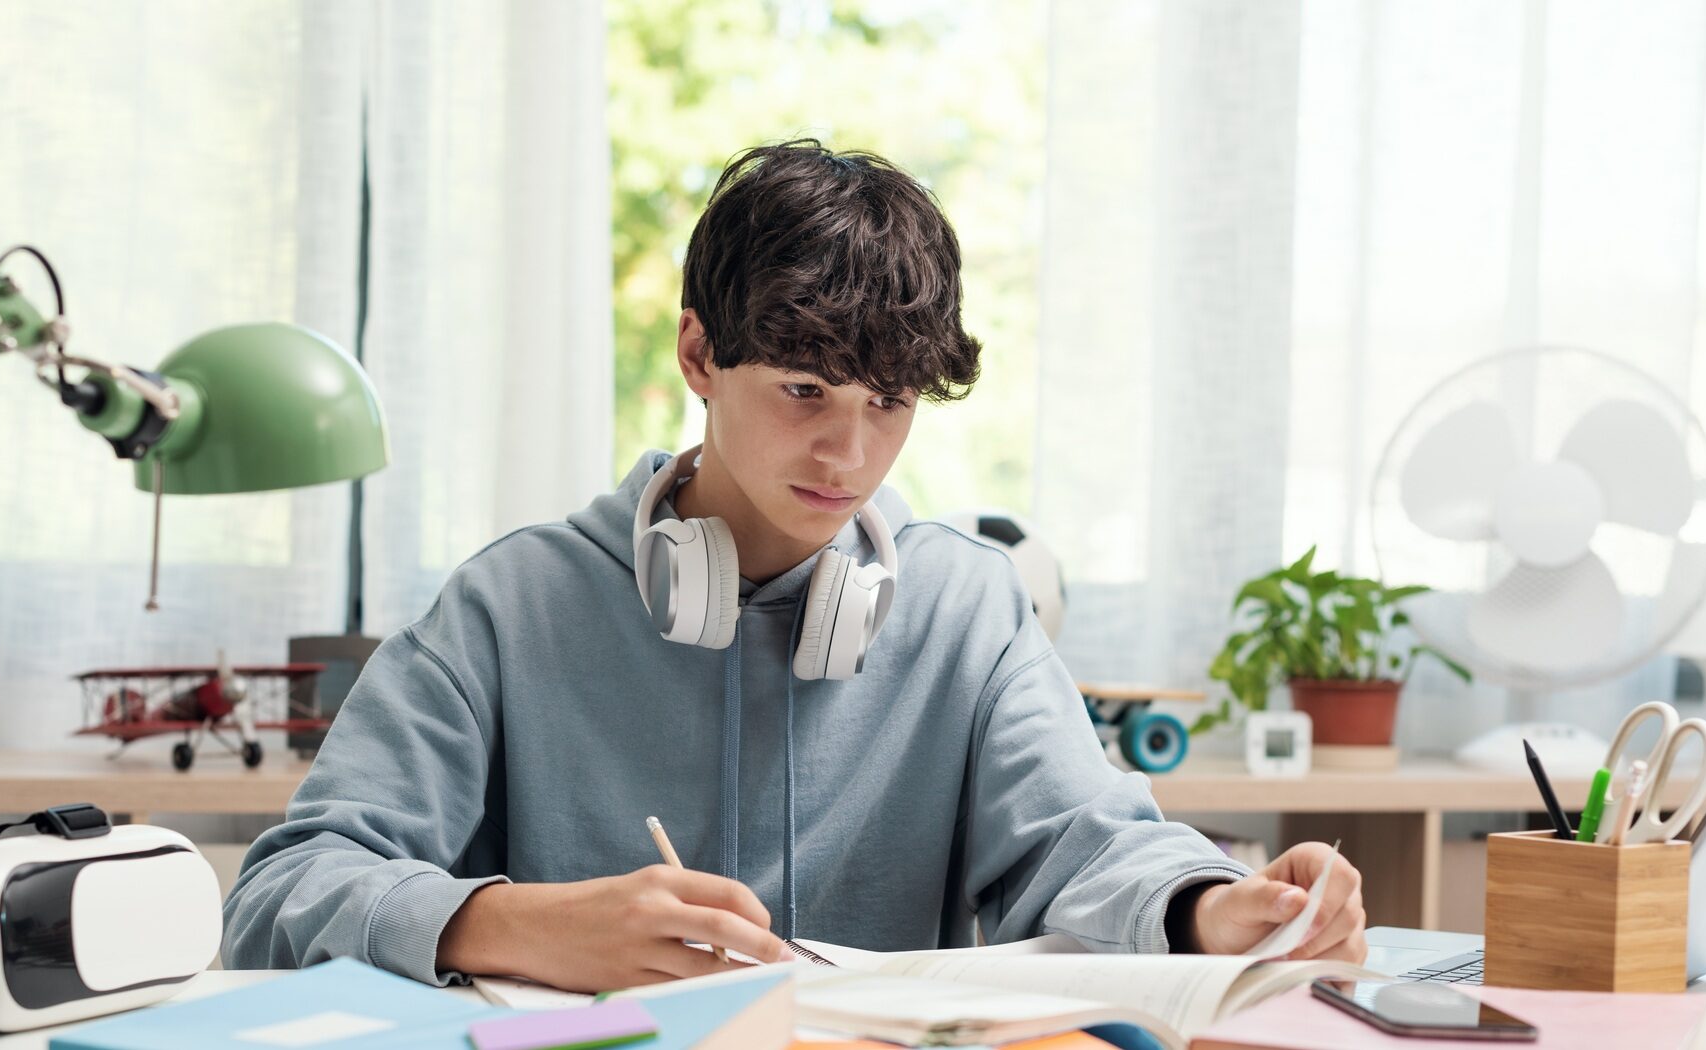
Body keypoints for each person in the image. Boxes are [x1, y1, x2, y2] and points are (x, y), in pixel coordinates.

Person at [222, 139, 1366, 993]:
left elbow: (1091, 842)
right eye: (804, 391)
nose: (846, 455)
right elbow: (282, 890)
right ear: (697, 354)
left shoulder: (966, 608)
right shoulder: (511, 605)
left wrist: (1214, 906)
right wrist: (516, 926)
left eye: (888, 404)